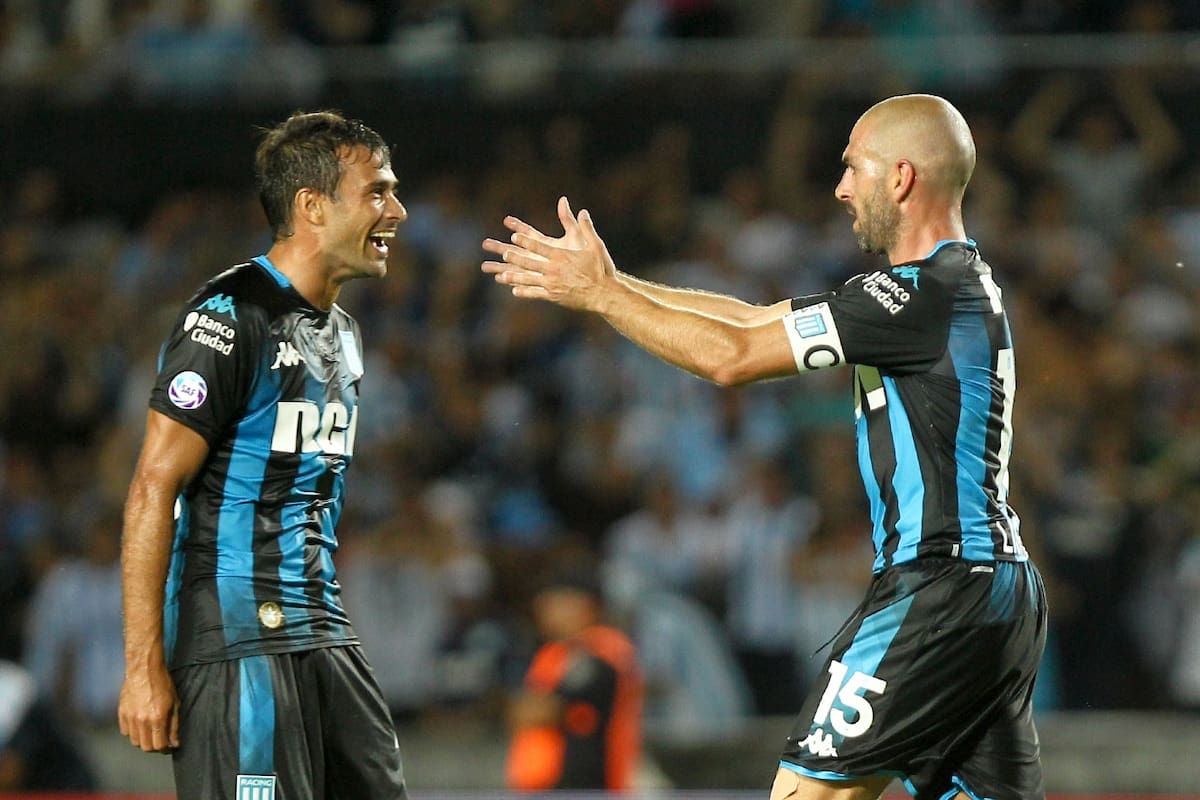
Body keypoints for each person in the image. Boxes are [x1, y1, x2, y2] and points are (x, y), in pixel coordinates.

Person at [482, 94, 1048, 800]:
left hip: (938, 587)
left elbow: (733, 357)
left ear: (900, 178)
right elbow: (753, 318)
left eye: (853, 168)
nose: (841, 188)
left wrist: (602, 299)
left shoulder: (914, 297)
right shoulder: (947, 288)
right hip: (995, 592)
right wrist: (614, 281)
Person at [118, 110, 409, 800]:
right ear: (312, 205)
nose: (397, 210)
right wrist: (142, 666)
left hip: (325, 633)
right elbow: (152, 489)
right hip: (239, 641)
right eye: (377, 191)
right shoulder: (228, 316)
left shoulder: (344, 335)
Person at [506, 566, 643, 793]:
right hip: (549, 787)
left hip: (591, 786)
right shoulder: (554, 654)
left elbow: (541, 710)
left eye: (557, 603)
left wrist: (531, 708)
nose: (546, 612)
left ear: (587, 606)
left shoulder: (604, 652)